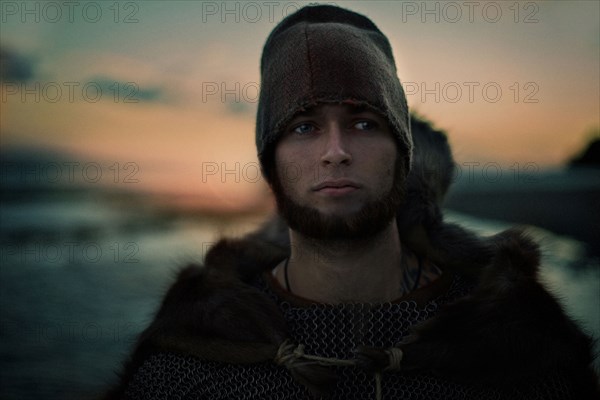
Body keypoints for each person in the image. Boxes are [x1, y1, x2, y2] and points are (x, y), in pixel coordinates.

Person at [105, 5, 599, 399]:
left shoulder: (517, 354)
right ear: (269, 164)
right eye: (304, 126)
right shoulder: (193, 367)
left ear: (403, 156)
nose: (336, 152)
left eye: (364, 122)